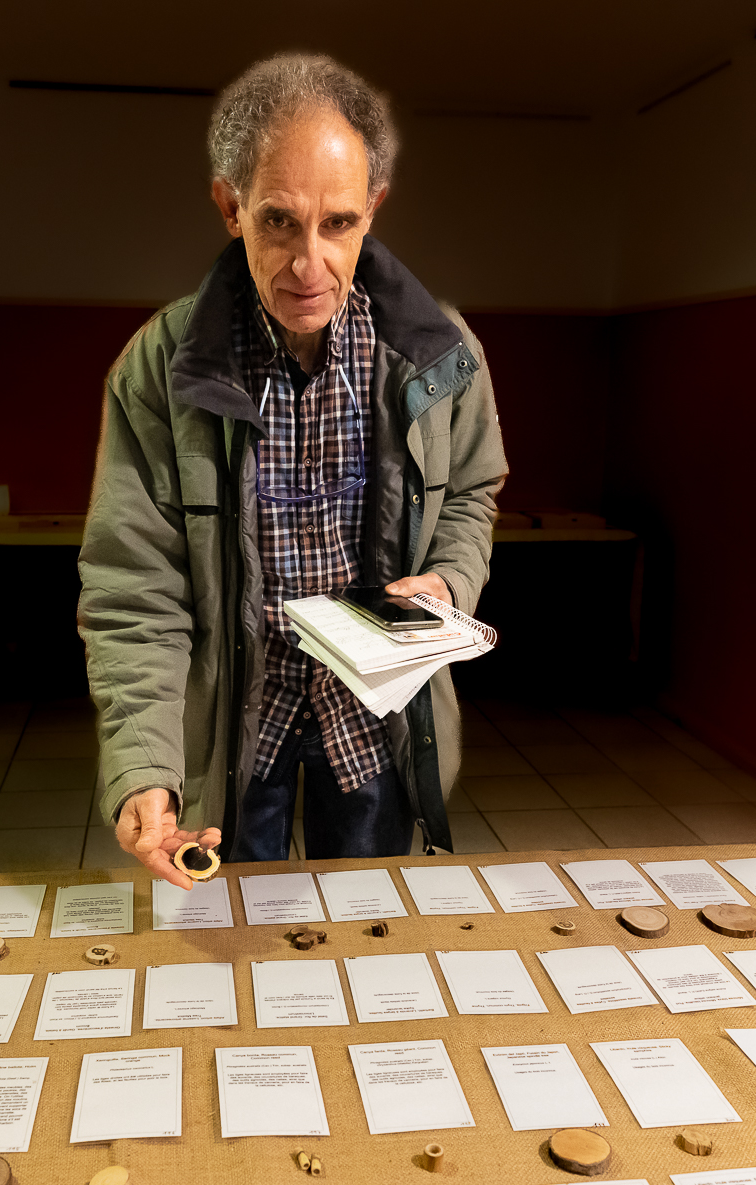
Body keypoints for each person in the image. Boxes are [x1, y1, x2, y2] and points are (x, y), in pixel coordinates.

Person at [78, 52, 508, 890]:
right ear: (230, 208)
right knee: (235, 953)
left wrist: (451, 582)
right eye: (279, 221)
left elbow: (473, 490)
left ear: (373, 210)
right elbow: (134, 587)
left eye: (339, 223)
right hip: (236, 732)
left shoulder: (440, 355)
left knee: (373, 938)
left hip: (377, 720)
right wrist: (143, 762)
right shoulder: (157, 371)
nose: (310, 262)